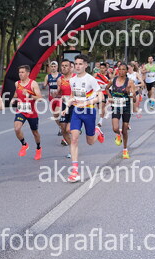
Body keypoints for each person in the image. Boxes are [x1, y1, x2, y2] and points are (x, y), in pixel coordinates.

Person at [67, 55, 105, 183]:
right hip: (77, 112)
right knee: (74, 138)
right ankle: (75, 171)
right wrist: (68, 105)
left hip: (89, 112)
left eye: (80, 64)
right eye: (76, 64)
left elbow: (100, 96)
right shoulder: (72, 80)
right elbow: (72, 95)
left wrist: (87, 102)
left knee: (90, 142)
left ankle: (97, 131)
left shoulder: (91, 79)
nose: (77, 66)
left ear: (86, 65)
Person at [14, 65, 44, 160]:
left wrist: (29, 95)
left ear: (28, 73)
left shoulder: (33, 84)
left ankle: (38, 148)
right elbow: (16, 94)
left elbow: (40, 98)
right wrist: (14, 99)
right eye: (19, 72)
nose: (20, 74)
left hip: (31, 112)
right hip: (21, 110)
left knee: (35, 132)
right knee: (17, 128)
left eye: (22, 72)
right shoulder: (17, 83)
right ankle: (24, 144)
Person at [106, 63, 137, 159]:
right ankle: (118, 134)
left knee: (125, 130)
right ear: (117, 70)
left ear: (126, 71)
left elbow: (134, 99)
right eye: (120, 69)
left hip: (126, 107)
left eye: (124, 69)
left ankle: (125, 150)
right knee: (115, 128)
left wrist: (128, 92)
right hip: (116, 106)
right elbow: (106, 88)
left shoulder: (130, 82)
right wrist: (110, 97)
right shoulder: (113, 80)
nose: (121, 71)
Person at [56, 59, 76, 154]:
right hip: (65, 106)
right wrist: (57, 92)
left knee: (68, 129)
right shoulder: (60, 79)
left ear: (70, 67)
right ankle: (72, 147)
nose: (64, 68)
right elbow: (59, 93)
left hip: (74, 106)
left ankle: (73, 148)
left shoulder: (75, 78)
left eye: (66, 66)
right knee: (63, 129)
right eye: (62, 66)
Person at [42, 61, 63, 137]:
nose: (53, 68)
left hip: (59, 98)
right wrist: (43, 86)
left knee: (57, 112)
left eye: (55, 66)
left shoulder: (61, 76)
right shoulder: (48, 76)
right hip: (51, 98)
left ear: (57, 67)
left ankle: (64, 123)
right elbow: (44, 85)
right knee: (55, 116)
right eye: (52, 66)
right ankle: (61, 127)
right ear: (50, 67)